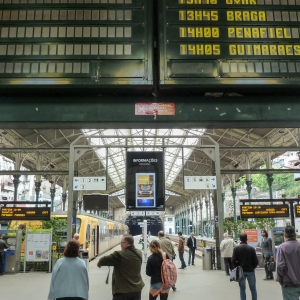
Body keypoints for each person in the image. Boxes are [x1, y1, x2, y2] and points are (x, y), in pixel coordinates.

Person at [97, 234, 144, 300]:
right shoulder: (139, 253)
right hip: (137, 289)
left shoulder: (119, 254)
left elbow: (103, 260)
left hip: (122, 291)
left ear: (127, 244)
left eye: (122, 242)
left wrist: (99, 264)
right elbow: (128, 262)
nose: (120, 244)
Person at [232, 233, 258, 300]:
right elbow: (256, 261)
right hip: (250, 270)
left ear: (240, 239)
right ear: (247, 239)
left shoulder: (236, 248)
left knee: (242, 288)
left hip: (241, 271)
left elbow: (233, 260)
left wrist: (237, 267)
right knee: (253, 288)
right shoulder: (251, 249)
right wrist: (253, 267)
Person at [276, 225, 300, 300]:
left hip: (289, 283)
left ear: (285, 236)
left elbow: (280, 266)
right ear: (295, 235)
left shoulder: (282, 247)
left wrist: (280, 280)